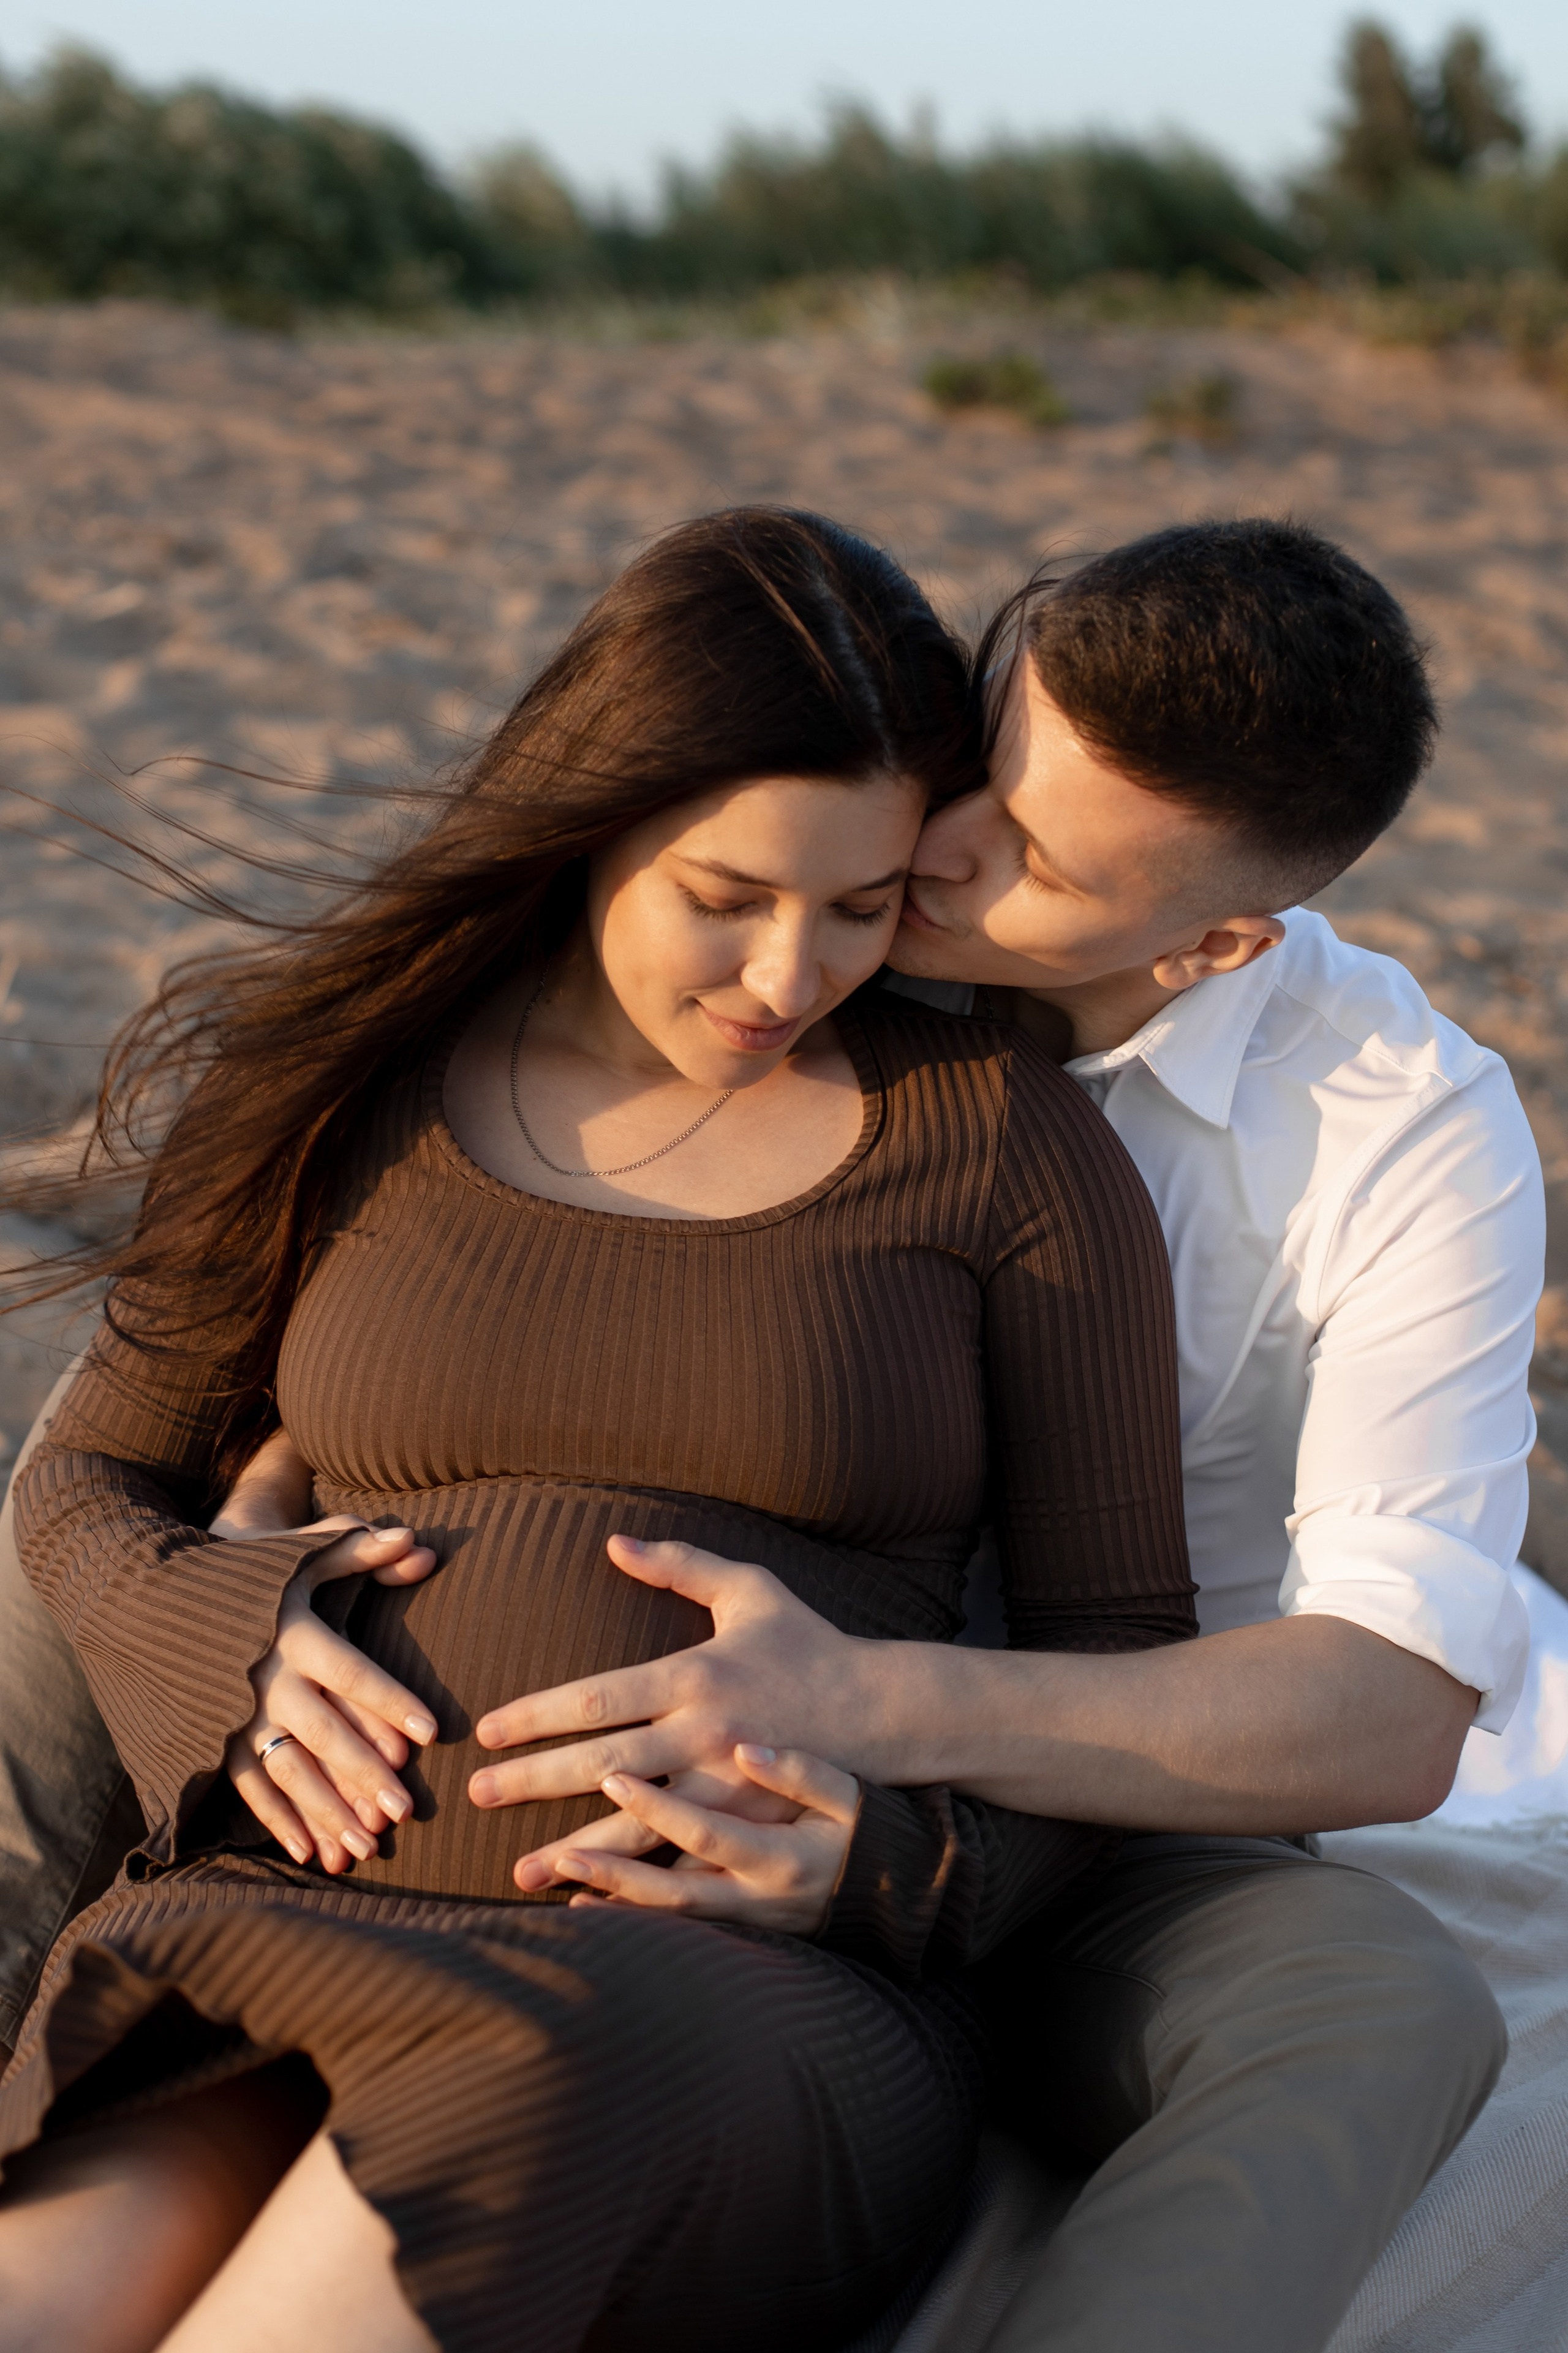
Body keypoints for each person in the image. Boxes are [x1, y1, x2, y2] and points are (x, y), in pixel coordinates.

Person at [0, 508, 1205, 2353]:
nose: (789, 974)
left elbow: (1123, 1657)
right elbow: (88, 1481)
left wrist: (890, 1860)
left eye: (864, 906)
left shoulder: (1002, 1148)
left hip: (715, 1996)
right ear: (593, 827)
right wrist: (224, 1637)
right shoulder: (355, 1084)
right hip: (287, 1913)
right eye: (727, 894)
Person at [367, 519, 1530, 2351]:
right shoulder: (792, 922)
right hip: (605, 1719)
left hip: (1091, 1811)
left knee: (1389, 2009)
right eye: (985, 754)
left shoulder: (1405, 1128)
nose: (941, 842)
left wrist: (876, 1711)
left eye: (1035, 855)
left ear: (1219, 937)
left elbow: (1386, 1714)